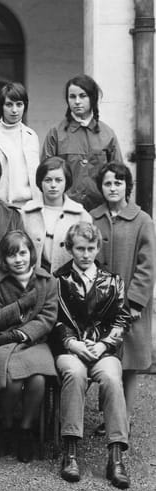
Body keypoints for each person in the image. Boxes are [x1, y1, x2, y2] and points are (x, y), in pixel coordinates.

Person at [52, 222, 131, 489]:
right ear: (70, 249)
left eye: (90, 248)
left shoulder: (113, 281)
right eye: (79, 249)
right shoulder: (58, 280)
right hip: (70, 348)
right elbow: (53, 319)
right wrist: (71, 342)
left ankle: (116, 457)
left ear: (97, 248)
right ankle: (70, 453)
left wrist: (105, 344)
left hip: (102, 349)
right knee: (74, 374)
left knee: (111, 378)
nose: (85, 254)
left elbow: (122, 319)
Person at [0, 231, 58, 462]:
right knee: (12, 379)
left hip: (33, 342)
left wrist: (21, 334)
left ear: (31, 253)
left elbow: (47, 318)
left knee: (38, 379)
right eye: (12, 255)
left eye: (23, 253)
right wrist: (21, 305)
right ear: (3, 258)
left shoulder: (47, 281)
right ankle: (6, 425)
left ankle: (26, 430)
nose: (18, 259)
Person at [91, 163, 155, 426]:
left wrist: (136, 302)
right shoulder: (93, 218)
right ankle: (109, 415)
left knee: (128, 361)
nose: (113, 188)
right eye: (108, 183)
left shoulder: (142, 220)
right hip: (101, 303)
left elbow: (147, 264)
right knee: (107, 358)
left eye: (118, 183)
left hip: (130, 304)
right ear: (101, 188)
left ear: (127, 186)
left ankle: (124, 418)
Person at [41, 74, 122, 211]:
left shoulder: (107, 135)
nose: (77, 101)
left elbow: (120, 176)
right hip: (64, 210)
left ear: (92, 98)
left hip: (100, 211)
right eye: (72, 97)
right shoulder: (56, 133)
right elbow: (45, 175)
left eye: (83, 96)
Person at [21, 156, 92, 273]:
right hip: (33, 279)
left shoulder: (81, 215)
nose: (53, 185)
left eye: (58, 180)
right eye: (48, 180)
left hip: (69, 279)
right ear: (40, 182)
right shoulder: (26, 213)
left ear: (66, 182)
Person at [0, 82, 41, 207]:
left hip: (30, 206)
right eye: (9, 104)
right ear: (1, 106)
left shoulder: (31, 136)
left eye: (19, 104)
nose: (14, 110)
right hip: (0, 206)